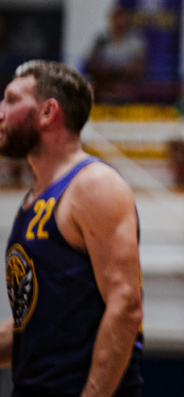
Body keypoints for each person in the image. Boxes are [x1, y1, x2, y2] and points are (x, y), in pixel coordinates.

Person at [0, 60, 143, 395]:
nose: (1, 110)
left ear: (48, 112)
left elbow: (125, 306)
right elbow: (30, 328)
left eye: (11, 99)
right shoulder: (33, 200)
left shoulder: (93, 184)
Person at [85, 5, 148, 103]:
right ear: (111, 19)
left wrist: (119, 70)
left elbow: (140, 66)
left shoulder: (135, 41)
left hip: (127, 86)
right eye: (116, 17)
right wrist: (107, 70)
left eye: (121, 17)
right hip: (105, 84)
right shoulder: (101, 40)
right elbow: (89, 63)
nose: (119, 21)